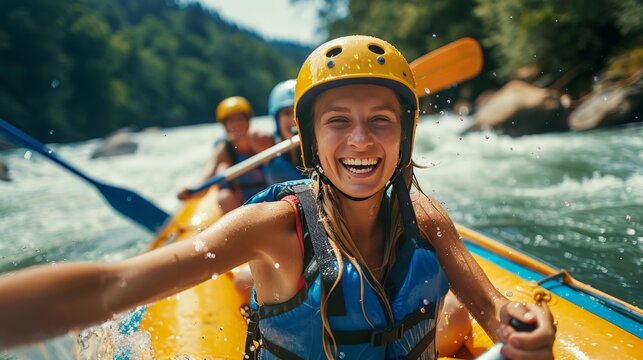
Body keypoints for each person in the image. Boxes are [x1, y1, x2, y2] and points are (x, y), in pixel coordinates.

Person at [0, 35, 555, 359]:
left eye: (381, 121)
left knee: (453, 315)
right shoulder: (271, 225)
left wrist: (514, 321)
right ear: (310, 140)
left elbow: (492, 308)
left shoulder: (427, 216)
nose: (361, 140)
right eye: (338, 121)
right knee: (247, 281)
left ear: (405, 135)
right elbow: (115, 285)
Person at [177, 96, 272, 213]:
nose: (236, 125)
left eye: (240, 119)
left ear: (248, 121)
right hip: (243, 201)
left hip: (268, 195)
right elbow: (208, 175)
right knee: (224, 196)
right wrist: (191, 190)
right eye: (231, 121)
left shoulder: (259, 139)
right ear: (225, 125)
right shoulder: (224, 149)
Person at [263, 79, 305, 184]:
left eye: (299, 112)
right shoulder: (266, 146)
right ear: (277, 120)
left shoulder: (322, 150)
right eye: (287, 113)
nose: (294, 119)